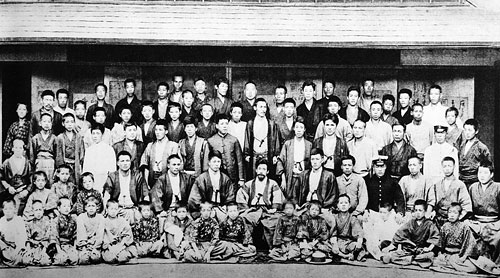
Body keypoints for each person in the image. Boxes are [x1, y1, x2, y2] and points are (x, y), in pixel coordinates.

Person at [236, 159, 283, 248]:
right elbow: (241, 195)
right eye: (259, 169)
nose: (261, 171)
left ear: (268, 171)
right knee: (244, 219)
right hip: (253, 210)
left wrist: (274, 208)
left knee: (277, 220)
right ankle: (247, 245)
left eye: (264, 169)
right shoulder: (249, 184)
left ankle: (273, 247)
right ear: (256, 170)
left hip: (267, 210)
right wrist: (246, 209)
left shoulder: (273, 183)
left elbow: (277, 196)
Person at [383, 199, 440, 268]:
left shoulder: (429, 224)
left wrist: (428, 249)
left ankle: (409, 260)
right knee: (395, 255)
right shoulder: (411, 223)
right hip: (409, 249)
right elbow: (400, 234)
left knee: (430, 255)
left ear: (425, 212)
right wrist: (399, 248)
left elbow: (436, 237)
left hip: (421, 250)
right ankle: (414, 261)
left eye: (420, 210)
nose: (418, 213)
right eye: (416, 210)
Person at [467, 161, 500, 264]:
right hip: (477, 222)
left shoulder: (498, 187)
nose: (482, 176)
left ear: (492, 174)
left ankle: (493, 262)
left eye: (485, 173)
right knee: (465, 228)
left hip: (494, 222)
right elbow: (469, 208)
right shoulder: (473, 187)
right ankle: (472, 259)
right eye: (480, 172)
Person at [188, 150, 235, 222]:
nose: (216, 164)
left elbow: (230, 196)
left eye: (218, 162)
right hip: (205, 209)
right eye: (214, 161)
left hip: (221, 208)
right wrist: (206, 208)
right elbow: (195, 199)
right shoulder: (201, 178)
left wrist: (226, 206)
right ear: (209, 162)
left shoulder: (225, 178)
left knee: (226, 222)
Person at [103, 150, 147, 225]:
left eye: (127, 161)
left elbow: (145, 194)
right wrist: (106, 210)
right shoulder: (113, 176)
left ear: (130, 162)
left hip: (133, 209)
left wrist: (144, 210)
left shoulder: (137, 175)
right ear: (118, 163)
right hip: (117, 210)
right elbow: (107, 194)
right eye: (122, 161)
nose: (125, 163)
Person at [433, 203, 478, 273]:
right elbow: (440, 244)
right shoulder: (445, 226)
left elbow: (470, 244)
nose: (452, 215)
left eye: (455, 213)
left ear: (459, 215)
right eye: (450, 212)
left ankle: (451, 265)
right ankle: (452, 265)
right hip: (447, 255)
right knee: (435, 262)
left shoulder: (464, 227)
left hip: (458, 255)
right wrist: (440, 253)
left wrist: (463, 257)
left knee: (473, 268)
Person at [276, 117, 312, 202]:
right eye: (297, 127)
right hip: (290, 176)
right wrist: (283, 178)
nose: (299, 130)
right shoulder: (288, 144)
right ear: (294, 129)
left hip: (304, 177)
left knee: (302, 199)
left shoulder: (309, 145)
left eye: (301, 128)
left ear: (304, 130)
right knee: (289, 200)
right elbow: (280, 161)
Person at [244, 98, 280, 181]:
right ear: (255, 108)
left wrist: (275, 154)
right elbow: (247, 138)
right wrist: (247, 154)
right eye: (260, 107)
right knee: (254, 179)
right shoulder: (250, 123)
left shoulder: (271, 123)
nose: (263, 109)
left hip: (267, 155)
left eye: (265, 107)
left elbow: (276, 140)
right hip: (254, 156)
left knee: (267, 179)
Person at [296, 148, 339, 219]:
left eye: (317, 159)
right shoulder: (303, 175)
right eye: (312, 159)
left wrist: (324, 206)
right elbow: (296, 191)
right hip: (306, 207)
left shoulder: (329, 175)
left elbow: (333, 194)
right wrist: (297, 204)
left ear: (322, 160)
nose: (315, 162)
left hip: (322, 208)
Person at [150, 154, 194, 220]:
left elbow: (193, 194)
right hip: (168, 210)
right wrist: (161, 211)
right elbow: (156, 196)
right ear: (168, 165)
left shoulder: (186, 178)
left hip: (183, 210)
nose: (176, 167)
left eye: (178, 164)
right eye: (174, 165)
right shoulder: (162, 179)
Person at [432, 156, 472, 228]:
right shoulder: (437, 185)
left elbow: (466, 206)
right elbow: (434, 204)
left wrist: (457, 218)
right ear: (442, 168)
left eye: (449, 166)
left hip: (455, 220)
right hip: (438, 220)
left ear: (454, 167)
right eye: (445, 166)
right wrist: (433, 212)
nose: (447, 168)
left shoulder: (460, 185)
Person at [139, 119, 180, 188]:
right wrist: (147, 183)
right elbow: (145, 164)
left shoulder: (173, 145)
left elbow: (176, 165)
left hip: (168, 179)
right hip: (152, 178)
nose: (157, 132)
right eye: (156, 130)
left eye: (160, 130)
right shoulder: (150, 145)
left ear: (166, 131)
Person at [207, 114, 245, 186]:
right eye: (222, 124)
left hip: (232, 176)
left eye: (226, 124)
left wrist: (241, 178)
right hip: (216, 175)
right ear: (217, 126)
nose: (224, 126)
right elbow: (207, 161)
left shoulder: (234, 140)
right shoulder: (211, 141)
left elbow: (239, 161)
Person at [365, 156, 405, 221]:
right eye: (377, 167)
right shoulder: (369, 182)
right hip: (373, 213)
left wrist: (399, 213)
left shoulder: (392, 182)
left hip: (389, 213)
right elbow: (365, 198)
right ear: (374, 168)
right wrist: (366, 210)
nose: (380, 169)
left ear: (385, 167)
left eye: (382, 167)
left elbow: (400, 199)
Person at [82, 123, 116, 194]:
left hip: (105, 178)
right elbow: (86, 168)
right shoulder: (89, 150)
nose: (95, 136)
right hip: (92, 179)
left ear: (102, 135)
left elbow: (112, 169)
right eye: (93, 133)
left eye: (98, 133)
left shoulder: (109, 149)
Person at [330, 194, 366, 261]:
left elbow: (358, 231)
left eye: (346, 203)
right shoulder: (334, 217)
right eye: (341, 203)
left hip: (349, 241)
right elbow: (333, 233)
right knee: (328, 246)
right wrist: (334, 244)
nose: (343, 205)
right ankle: (346, 256)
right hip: (338, 241)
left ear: (349, 205)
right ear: (337, 205)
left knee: (356, 246)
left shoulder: (352, 217)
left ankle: (346, 255)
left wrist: (359, 242)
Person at [0, 139, 31, 214]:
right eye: (16, 147)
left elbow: (31, 179)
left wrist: (26, 191)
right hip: (9, 193)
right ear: (12, 148)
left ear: (23, 150)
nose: (18, 150)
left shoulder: (27, 163)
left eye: (20, 148)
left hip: (22, 192)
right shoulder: (7, 163)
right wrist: (8, 187)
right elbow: (1, 178)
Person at [458, 119, 491, 188]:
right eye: (465, 130)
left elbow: (488, 166)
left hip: (474, 182)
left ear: (476, 131)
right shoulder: (462, 145)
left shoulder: (481, 147)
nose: (467, 133)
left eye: (470, 130)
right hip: (461, 180)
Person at [22, 200, 54, 266]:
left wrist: (44, 250)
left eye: (40, 210)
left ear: (43, 211)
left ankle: (42, 258)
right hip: (33, 247)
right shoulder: (30, 223)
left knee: (45, 262)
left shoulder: (47, 222)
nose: (38, 212)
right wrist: (28, 250)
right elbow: (28, 238)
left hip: (44, 247)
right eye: (36, 210)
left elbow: (48, 237)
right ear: (33, 212)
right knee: (25, 261)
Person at [56, 113, 85, 183]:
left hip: (76, 165)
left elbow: (82, 153)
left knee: (75, 184)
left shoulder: (78, 137)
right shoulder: (60, 137)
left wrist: (80, 164)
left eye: (72, 122)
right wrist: (61, 167)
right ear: (63, 123)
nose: (70, 124)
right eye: (67, 122)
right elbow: (58, 154)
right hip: (64, 165)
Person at [76, 196, 105, 265]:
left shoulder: (100, 217)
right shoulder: (81, 217)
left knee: (95, 258)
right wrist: (83, 248)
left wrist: (95, 248)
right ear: (85, 208)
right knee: (83, 260)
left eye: (93, 206)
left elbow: (100, 235)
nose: (91, 208)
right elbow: (81, 233)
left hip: (95, 245)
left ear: (97, 207)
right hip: (84, 246)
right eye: (89, 206)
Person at [30, 113, 57, 184]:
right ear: (40, 123)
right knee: (39, 182)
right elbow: (32, 154)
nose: (46, 124)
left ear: (51, 124)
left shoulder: (54, 138)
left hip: (51, 164)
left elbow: (57, 154)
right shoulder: (35, 138)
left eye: (49, 122)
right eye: (44, 121)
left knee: (50, 183)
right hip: (39, 163)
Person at [0, 199, 27, 267]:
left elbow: (23, 237)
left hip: (16, 247)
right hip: (5, 247)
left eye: (10, 209)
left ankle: (10, 259)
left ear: (15, 209)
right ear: (2, 210)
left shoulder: (18, 220)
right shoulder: (2, 220)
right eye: (5, 209)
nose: (8, 211)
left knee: (20, 258)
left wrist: (17, 250)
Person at [52, 197, 78, 266]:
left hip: (69, 245)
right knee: (62, 260)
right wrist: (59, 250)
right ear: (59, 208)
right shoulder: (56, 220)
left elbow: (75, 235)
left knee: (75, 260)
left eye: (68, 206)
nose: (67, 208)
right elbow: (54, 236)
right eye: (64, 206)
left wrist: (74, 248)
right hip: (59, 246)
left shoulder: (73, 220)